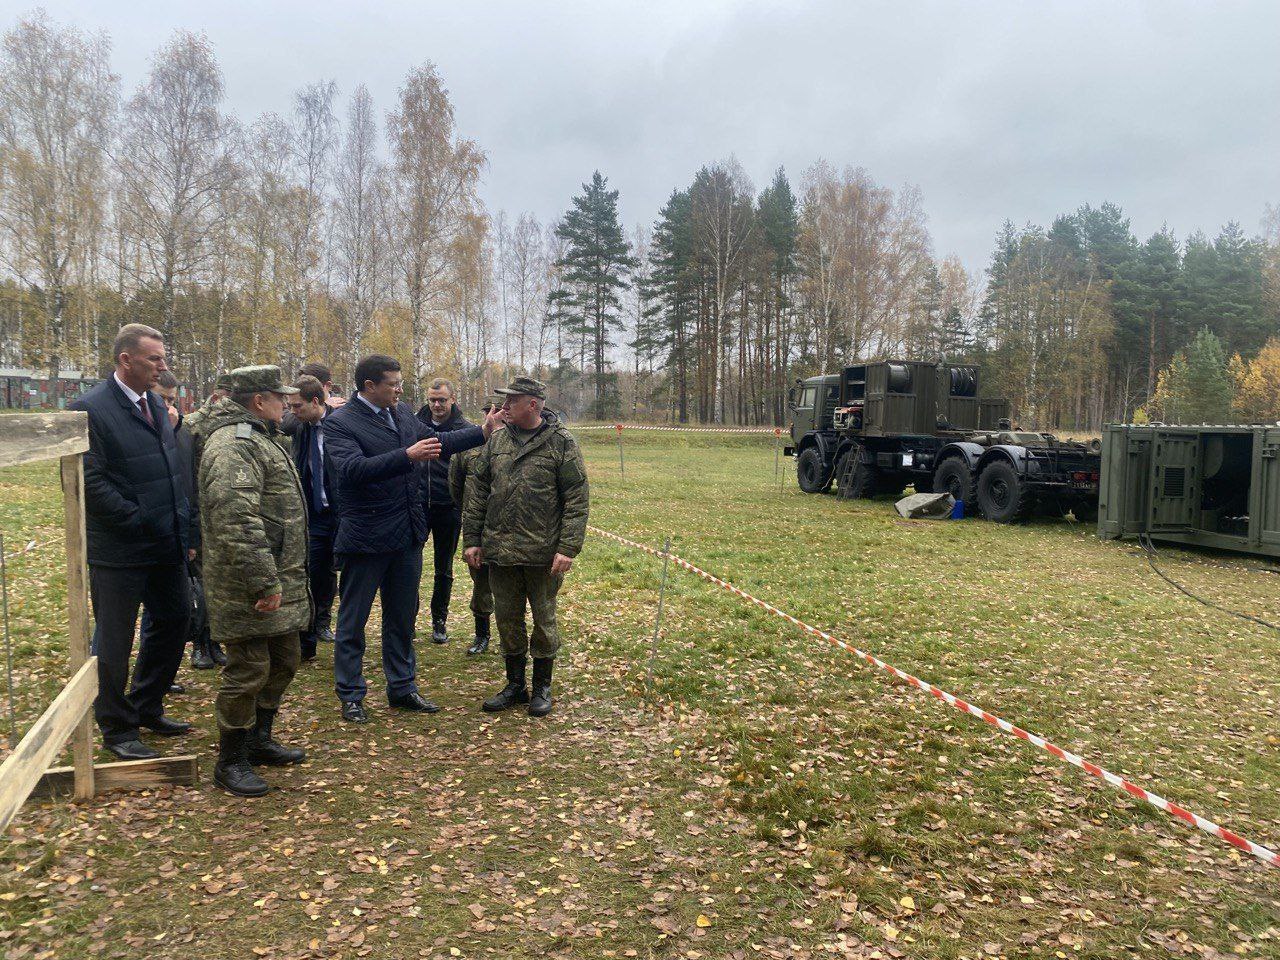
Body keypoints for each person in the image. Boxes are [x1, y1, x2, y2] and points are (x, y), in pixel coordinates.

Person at [323, 354, 503, 723]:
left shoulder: (402, 413)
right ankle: (352, 694)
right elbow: (352, 470)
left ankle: (402, 687)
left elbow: (436, 441)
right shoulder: (340, 424)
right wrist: (405, 455)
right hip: (365, 537)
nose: (400, 389)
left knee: (402, 617)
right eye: (393, 383)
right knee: (353, 619)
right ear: (369, 386)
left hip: (406, 534)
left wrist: (482, 432)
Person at [68, 323, 192, 761]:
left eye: (163, 357)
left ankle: (146, 705)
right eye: (154, 358)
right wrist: (138, 519)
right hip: (120, 549)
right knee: (115, 640)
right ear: (126, 360)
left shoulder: (156, 406)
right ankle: (117, 728)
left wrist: (184, 528)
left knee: (177, 619)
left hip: (166, 543)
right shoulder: (89, 409)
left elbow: (174, 471)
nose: (163, 366)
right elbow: (90, 479)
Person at [198, 365, 311, 797]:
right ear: (259, 401)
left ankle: (259, 739)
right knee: (248, 669)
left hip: (276, 576)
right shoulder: (234, 445)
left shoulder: (261, 439)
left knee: (285, 658)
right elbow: (236, 519)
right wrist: (264, 582)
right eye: (281, 398)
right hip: (246, 583)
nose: (288, 405)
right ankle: (231, 760)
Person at [462, 377, 589, 717]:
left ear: (532, 404)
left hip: (543, 554)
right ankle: (515, 685)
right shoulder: (498, 441)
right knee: (507, 619)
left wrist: (568, 547)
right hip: (500, 552)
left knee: (544, 620)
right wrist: (472, 540)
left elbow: (576, 498)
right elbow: (477, 492)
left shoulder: (561, 443)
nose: (503, 409)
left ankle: (542, 687)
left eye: (511, 402)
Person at [415, 378, 472, 645]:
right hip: (416, 505)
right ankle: (407, 618)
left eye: (442, 400)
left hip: (448, 507)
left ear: (452, 400)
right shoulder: (414, 424)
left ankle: (439, 620)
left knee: (443, 567)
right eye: (432, 400)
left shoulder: (465, 430)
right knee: (409, 566)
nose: (437, 405)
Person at [286, 375, 338, 662]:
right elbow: (283, 423)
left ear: (316, 401)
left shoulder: (340, 425)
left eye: (297, 405)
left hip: (341, 514)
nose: (292, 410)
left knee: (338, 573)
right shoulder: (301, 426)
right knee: (312, 573)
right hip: (315, 515)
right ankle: (307, 641)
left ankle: (327, 625)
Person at [449, 397, 500, 655]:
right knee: (481, 585)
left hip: (513, 531)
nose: (498, 416)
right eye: (493, 411)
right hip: (479, 530)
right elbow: (456, 487)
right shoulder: (469, 447)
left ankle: (512, 636)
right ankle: (482, 635)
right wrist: (472, 517)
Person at [281, 361, 345, 436]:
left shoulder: (342, 410)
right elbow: (284, 425)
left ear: (328, 385)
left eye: (309, 383)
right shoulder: (293, 403)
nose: (302, 388)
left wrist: (323, 407)